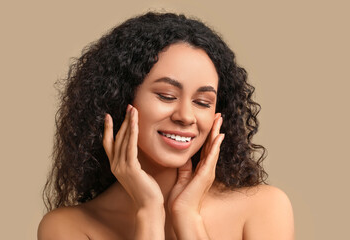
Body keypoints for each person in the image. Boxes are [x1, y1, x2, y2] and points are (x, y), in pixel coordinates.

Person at [38, 11, 294, 239]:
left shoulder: (264, 209)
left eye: (203, 102)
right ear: (119, 99)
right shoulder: (67, 227)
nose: (186, 116)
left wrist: (187, 217)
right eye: (166, 96)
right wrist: (148, 212)